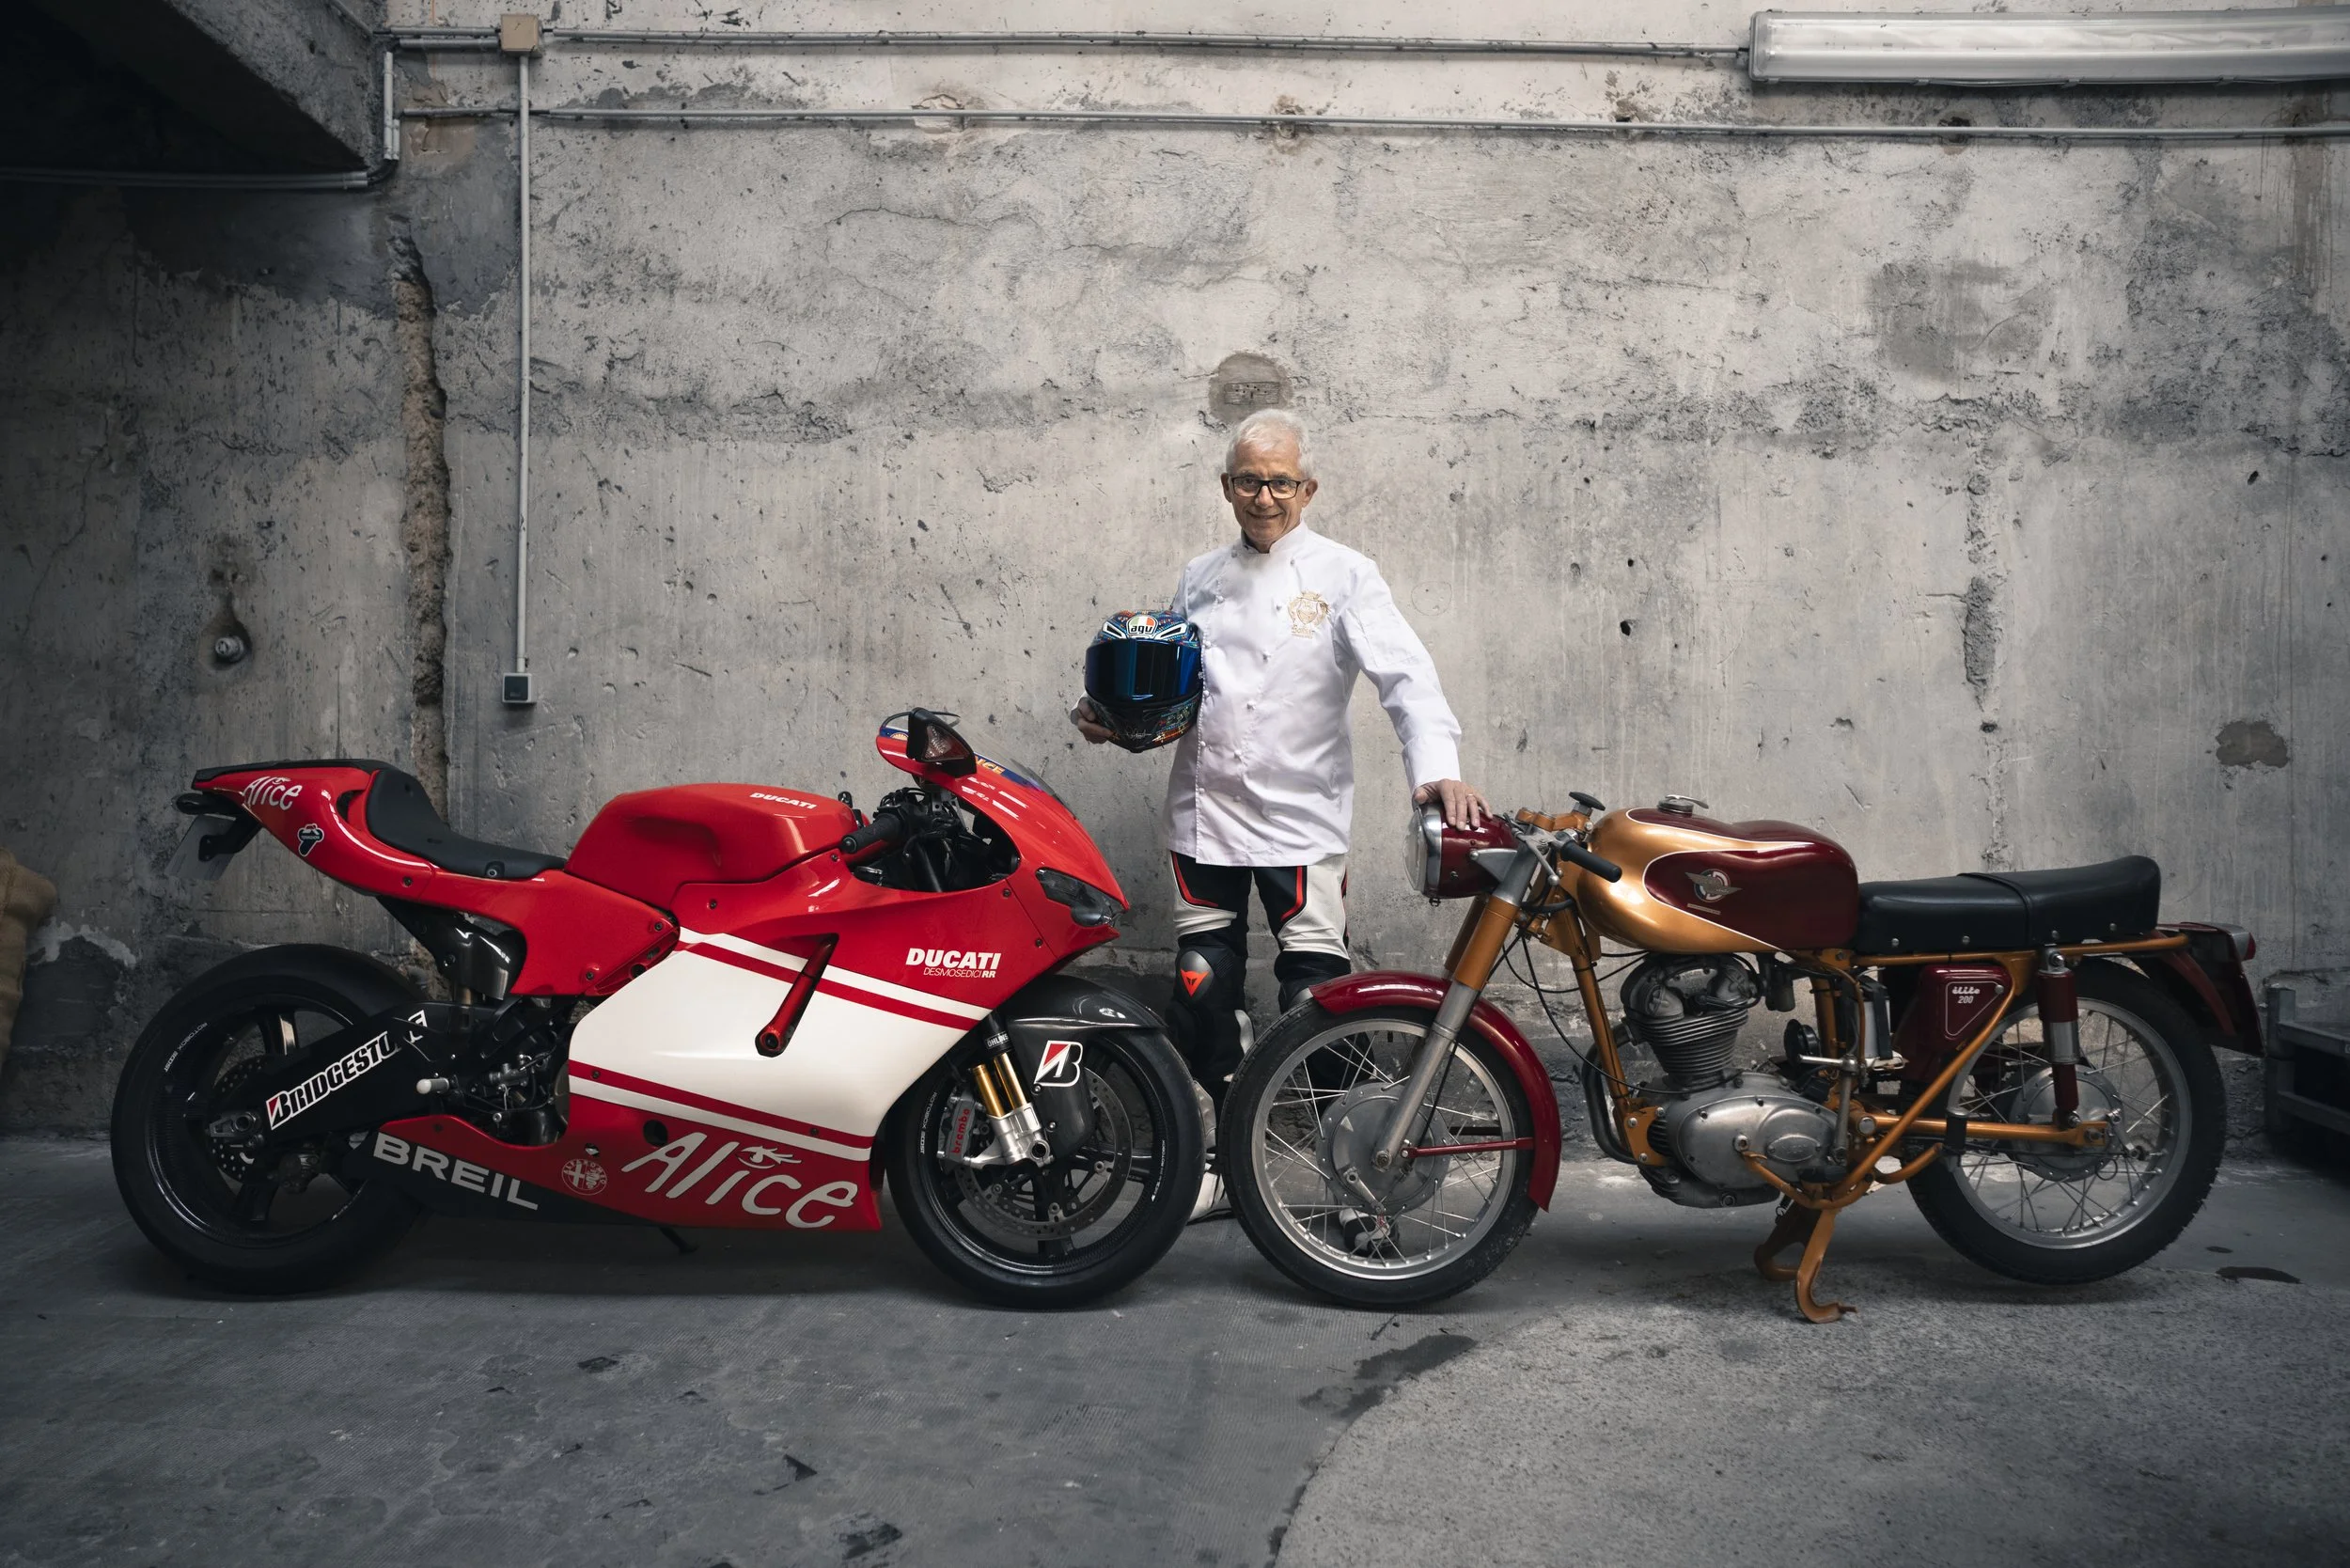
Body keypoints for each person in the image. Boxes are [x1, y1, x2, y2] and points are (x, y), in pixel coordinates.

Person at [1075, 408, 1490, 1140]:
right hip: (1205, 814)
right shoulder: (1199, 577)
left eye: (1280, 482)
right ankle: (1218, 1140)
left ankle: (1348, 1143)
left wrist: (1438, 772)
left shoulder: (1345, 574)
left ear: (1308, 488)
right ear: (1226, 487)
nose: (1264, 497)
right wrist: (1122, 725)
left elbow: (1408, 680)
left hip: (1303, 814)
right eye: (1248, 482)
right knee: (1203, 980)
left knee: (1317, 990)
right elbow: (1176, 693)